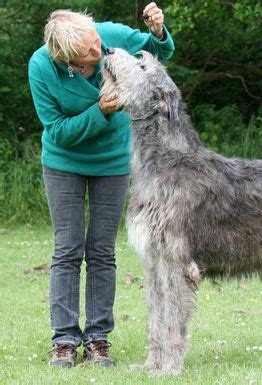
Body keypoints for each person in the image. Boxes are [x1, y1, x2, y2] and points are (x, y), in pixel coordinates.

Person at [28, 3, 174, 368]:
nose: (99, 51)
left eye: (96, 41)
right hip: (64, 162)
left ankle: (97, 339)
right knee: (68, 248)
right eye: (88, 52)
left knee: (102, 251)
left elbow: (157, 53)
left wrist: (158, 31)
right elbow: (58, 130)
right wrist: (100, 112)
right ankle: (63, 339)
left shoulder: (108, 35)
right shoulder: (42, 67)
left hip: (112, 163)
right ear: (67, 59)